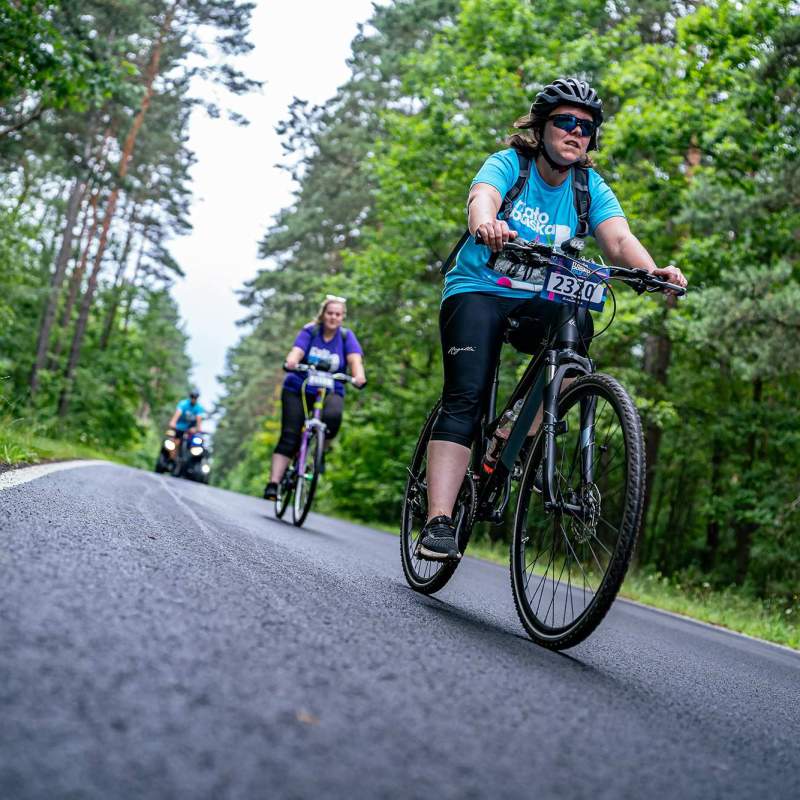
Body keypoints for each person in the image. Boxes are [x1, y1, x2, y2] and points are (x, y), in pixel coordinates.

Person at [418, 76, 688, 561]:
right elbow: (482, 196)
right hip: (481, 288)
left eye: (585, 127)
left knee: (577, 341)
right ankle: (438, 519)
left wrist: (654, 271)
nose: (575, 132)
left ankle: (511, 435)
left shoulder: (589, 187)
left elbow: (619, 241)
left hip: (541, 296)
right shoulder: (511, 165)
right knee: (467, 394)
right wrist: (487, 221)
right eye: (564, 122)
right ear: (541, 128)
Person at [263, 296, 367, 500]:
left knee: (334, 417)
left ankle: (318, 452)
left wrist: (359, 376)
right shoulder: (310, 330)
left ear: (342, 317)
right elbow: (297, 351)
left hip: (330, 389)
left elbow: (355, 360)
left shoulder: (346, 337)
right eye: (330, 313)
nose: (333, 317)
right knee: (290, 435)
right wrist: (292, 361)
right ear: (323, 314)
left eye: (338, 314)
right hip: (299, 388)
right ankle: (273, 484)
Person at [167, 388, 205, 454]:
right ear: (190, 396)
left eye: (195, 397)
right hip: (179, 427)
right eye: (192, 396)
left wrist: (198, 429)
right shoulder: (183, 403)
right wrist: (173, 422)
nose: (193, 398)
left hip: (191, 430)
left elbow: (199, 420)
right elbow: (177, 413)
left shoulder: (199, 408)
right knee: (174, 442)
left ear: (197, 398)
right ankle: (172, 456)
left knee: (196, 444)